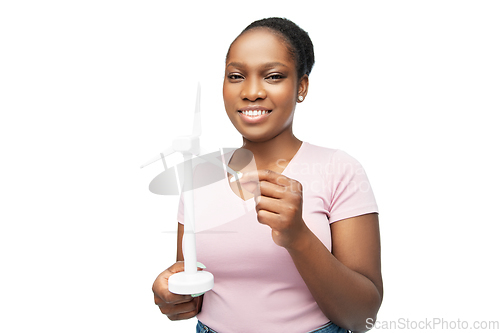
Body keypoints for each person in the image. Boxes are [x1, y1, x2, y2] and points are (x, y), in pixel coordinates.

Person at [152, 17, 383, 333]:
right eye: (236, 76)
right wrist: (170, 294)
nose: (251, 91)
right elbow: (191, 291)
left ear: (301, 87)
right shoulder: (197, 175)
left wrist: (298, 237)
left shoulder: (339, 170)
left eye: (273, 76)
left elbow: (363, 316)